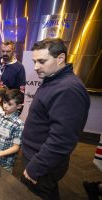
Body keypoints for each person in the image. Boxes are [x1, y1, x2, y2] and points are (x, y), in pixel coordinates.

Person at [21, 38, 90, 200]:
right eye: (34, 61)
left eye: (42, 61)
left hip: (42, 163)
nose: (36, 67)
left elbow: (62, 141)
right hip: (36, 156)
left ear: (60, 58)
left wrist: (35, 168)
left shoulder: (68, 89)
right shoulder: (53, 79)